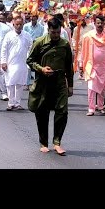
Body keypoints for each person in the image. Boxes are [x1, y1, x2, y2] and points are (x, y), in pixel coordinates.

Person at [26, 18, 74, 155]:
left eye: (58, 32)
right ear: (48, 30)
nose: (56, 35)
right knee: (42, 112)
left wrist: (70, 85)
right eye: (53, 32)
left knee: (62, 112)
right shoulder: (39, 42)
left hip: (59, 82)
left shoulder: (65, 44)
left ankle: (57, 142)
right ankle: (43, 142)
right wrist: (41, 69)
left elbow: (69, 66)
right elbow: (29, 60)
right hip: (43, 82)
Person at [80, 14, 105, 116]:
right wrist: (80, 63)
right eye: (98, 23)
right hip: (91, 65)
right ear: (94, 23)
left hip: (104, 66)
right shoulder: (89, 36)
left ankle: (100, 106)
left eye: (102, 23)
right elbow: (83, 51)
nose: (100, 25)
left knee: (102, 88)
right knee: (91, 87)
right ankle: (91, 108)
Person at [0, 15, 34, 110]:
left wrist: (29, 61)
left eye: (20, 24)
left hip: (22, 63)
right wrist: (3, 62)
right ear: (13, 24)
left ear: (23, 25)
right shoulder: (8, 35)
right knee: (10, 84)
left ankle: (18, 103)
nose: (19, 26)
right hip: (10, 63)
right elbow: (3, 49)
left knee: (20, 84)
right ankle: (11, 103)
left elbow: (30, 49)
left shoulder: (27, 35)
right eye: (17, 24)